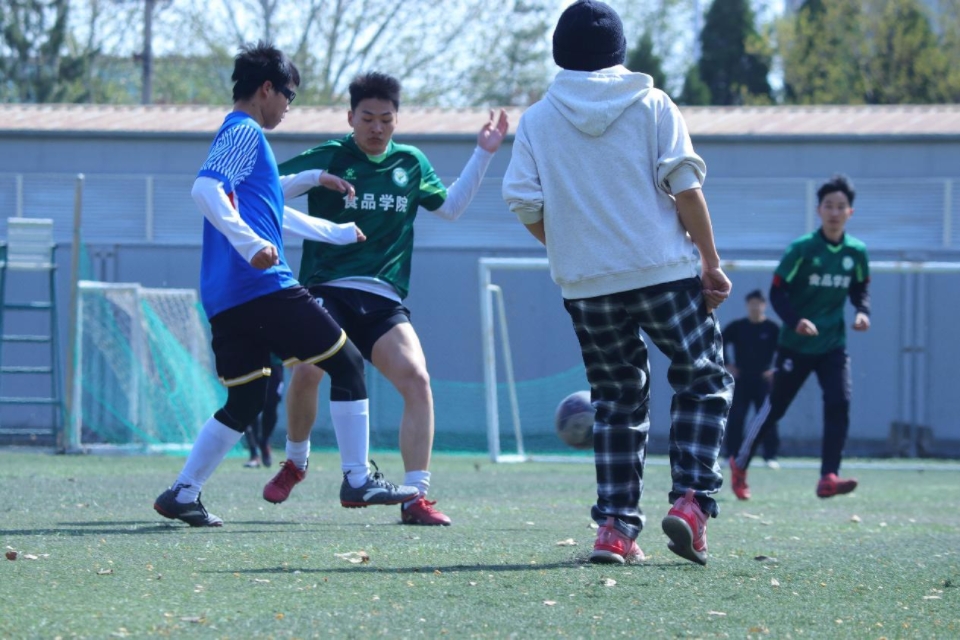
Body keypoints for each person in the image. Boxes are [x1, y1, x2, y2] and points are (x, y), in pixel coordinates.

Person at [502, 0, 733, 566]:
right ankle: (690, 503)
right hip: (663, 273)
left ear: (560, 53)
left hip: (587, 287)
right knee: (703, 376)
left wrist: (571, 250)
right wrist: (710, 261)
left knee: (616, 399)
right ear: (619, 51)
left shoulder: (538, 119)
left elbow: (524, 202)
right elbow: (685, 187)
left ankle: (615, 528)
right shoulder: (652, 104)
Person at [153, 42, 417, 527]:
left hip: (225, 298)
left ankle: (182, 493)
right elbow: (204, 188)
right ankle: (358, 478)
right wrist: (251, 243)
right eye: (288, 95)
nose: (289, 107)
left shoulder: (243, 139)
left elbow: (272, 207)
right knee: (347, 364)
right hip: (262, 287)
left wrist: (333, 224)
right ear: (266, 89)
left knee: (246, 399)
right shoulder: (244, 131)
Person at [266, 72, 509, 526]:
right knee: (307, 370)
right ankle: (295, 462)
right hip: (327, 287)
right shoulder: (332, 155)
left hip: (381, 297)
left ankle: (415, 497)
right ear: (350, 117)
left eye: (386, 119)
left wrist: (484, 152)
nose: (376, 128)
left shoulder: (410, 162)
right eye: (367, 118)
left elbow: (450, 208)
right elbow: (264, 189)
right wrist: (313, 179)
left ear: (397, 119)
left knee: (417, 379)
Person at [729, 174, 870, 501]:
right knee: (775, 408)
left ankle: (828, 476)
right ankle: (740, 462)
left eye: (841, 207)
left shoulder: (856, 252)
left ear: (850, 212)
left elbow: (860, 288)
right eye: (828, 206)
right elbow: (777, 293)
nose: (834, 212)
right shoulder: (802, 249)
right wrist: (796, 322)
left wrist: (863, 311)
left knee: (839, 402)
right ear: (819, 210)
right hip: (796, 345)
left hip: (833, 344)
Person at [722, 290, 781, 467]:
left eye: (758, 303)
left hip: (764, 381)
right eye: (752, 303)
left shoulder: (772, 328)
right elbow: (718, 342)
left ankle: (770, 456)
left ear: (764, 305)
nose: (755, 307)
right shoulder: (738, 327)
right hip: (741, 380)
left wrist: (775, 370)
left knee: (767, 418)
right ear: (747, 305)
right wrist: (727, 364)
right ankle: (731, 455)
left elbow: (785, 350)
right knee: (736, 417)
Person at [242, 354, 284, 468]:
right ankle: (254, 453)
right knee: (249, 405)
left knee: (271, 404)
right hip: (249, 361)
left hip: (273, 362)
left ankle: (264, 441)